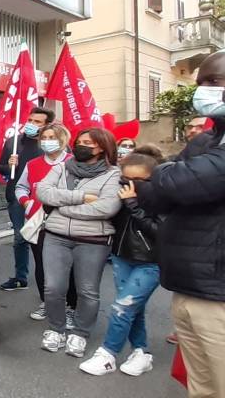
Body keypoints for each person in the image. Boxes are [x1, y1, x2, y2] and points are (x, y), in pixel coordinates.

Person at [134, 51, 225, 397]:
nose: (203, 91)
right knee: (201, 388)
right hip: (187, 287)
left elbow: (169, 181)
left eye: (214, 82)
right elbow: (157, 193)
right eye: (200, 83)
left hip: (218, 295)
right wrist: (167, 177)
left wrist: (163, 176)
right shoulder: (206, 140)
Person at [36, 127, 122, 358]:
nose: (81, 146)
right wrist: (81, 198)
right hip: (56, 236)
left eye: (88, 143)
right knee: (53, 288)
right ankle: (56, 329)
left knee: (87, 290)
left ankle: (81, 333)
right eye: (79, 141)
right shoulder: (63, 167)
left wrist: (61, 206)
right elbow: (43, 192)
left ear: (101, 147)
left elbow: (107, 207)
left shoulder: (113, 173)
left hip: (93, 240)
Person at [79, 146, 163, 377]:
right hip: (122, 257)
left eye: (139, 179)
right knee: (133, 309)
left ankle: (108, 354)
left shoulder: (162, 199)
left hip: (150, 262)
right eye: (126, 178)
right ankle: (141, 353)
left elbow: (162, 232)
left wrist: (134, 205)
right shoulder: (118, 193)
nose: (130, 183)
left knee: (122, 307)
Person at [14, 123, 77, 323]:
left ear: (63, 139)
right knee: (41, 265)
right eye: (45, 138)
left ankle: (70, 306)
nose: (48, 141)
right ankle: (46, 303)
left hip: (66, 222)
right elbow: (21, 187)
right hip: (38, 222)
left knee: (68, 267)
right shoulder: (32, 164)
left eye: (52, 137)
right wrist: (26, 202)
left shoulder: (73, 163)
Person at [0, 107, 56, 291]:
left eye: (37, 122)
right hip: (17, 199)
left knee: (46, 241)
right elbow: (1, 168)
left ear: (47, 125)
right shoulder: (13, 143)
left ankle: (51, 279)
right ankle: (20, 277)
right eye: (30, 120)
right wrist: (8, 166)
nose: (31, 124)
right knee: (20, 238)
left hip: (45, 202)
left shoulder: (51, 145)